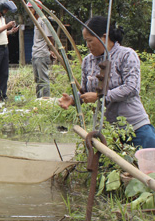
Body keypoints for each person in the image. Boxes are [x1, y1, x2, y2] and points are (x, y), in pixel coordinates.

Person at [58, 16, 155, 149]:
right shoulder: (88, 61)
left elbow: (131, 88)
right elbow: (87, 93)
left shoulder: (126, 55)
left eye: (90, 40)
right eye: (86, 41)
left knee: (147, 168)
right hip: (108, 133)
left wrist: (100, 97)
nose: (88, 45)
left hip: (135, 129)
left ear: (104, 37)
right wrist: (74, 99)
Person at [28, 0, 55, 98]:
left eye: (31, 8)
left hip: (42, 54)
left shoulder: (43, 21)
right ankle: (39, 100)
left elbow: (50, 38)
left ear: (36, 9)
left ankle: (45, 100)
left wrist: (51, 50)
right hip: (35, 54)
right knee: (38, 80)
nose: (29, 11)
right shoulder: (36, 22)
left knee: (43, 79)